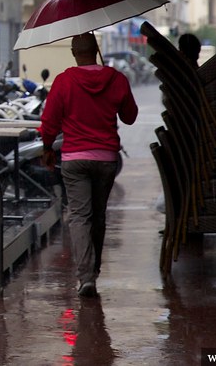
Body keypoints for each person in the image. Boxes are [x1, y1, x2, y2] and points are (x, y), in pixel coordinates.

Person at [40, 32, 138, 299]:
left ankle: (87, 277)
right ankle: (93, 270)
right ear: (97, 49)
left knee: (80, 217)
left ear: (73, 52)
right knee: (98, 215)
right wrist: (114, 87)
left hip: (74, 160)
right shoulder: (116, 78)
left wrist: (47, 147)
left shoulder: (63, 81)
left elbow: (49, 121)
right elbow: (130, 117)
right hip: (106, 159)